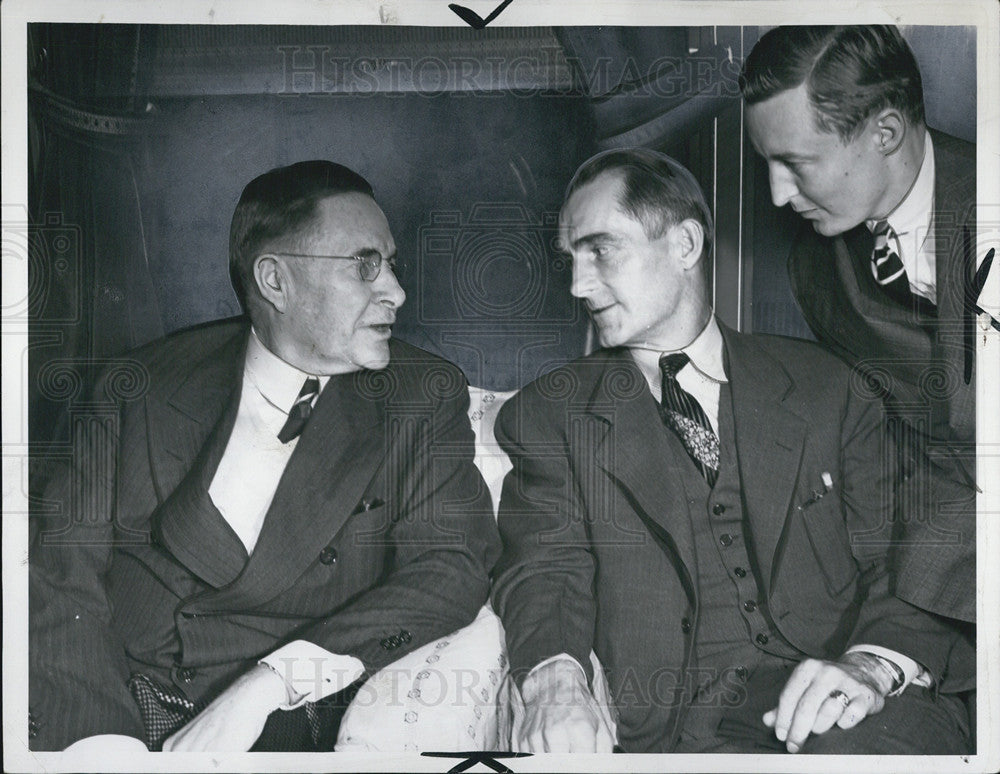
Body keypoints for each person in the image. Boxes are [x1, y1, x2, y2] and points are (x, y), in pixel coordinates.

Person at [491, 148, 970, 754]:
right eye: (571, 259)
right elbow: (543, 567)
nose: (578, 284)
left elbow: (911, 553)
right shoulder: (552, 412)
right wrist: (553, 679)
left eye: (601, 250)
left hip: (856, 712)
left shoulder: (830, 386)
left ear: (685, 245)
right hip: (676, 735)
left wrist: (869, 668)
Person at [29, 160, 500, 752]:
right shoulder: (139, 384)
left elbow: (449, 570)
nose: (397, 292)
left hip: (287, 726)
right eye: (365, 265)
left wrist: (273, 682)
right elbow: (58, 574)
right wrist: (98, 744)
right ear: (275, 281)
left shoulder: (421, 396)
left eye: (392, 263)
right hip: (117, 704)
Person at [740, 25, 978, 626]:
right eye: (768, 165)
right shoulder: (817, 266)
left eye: (795, 163)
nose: (776, 195)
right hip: (939, 564)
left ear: (886, 133)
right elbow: (891, 448)